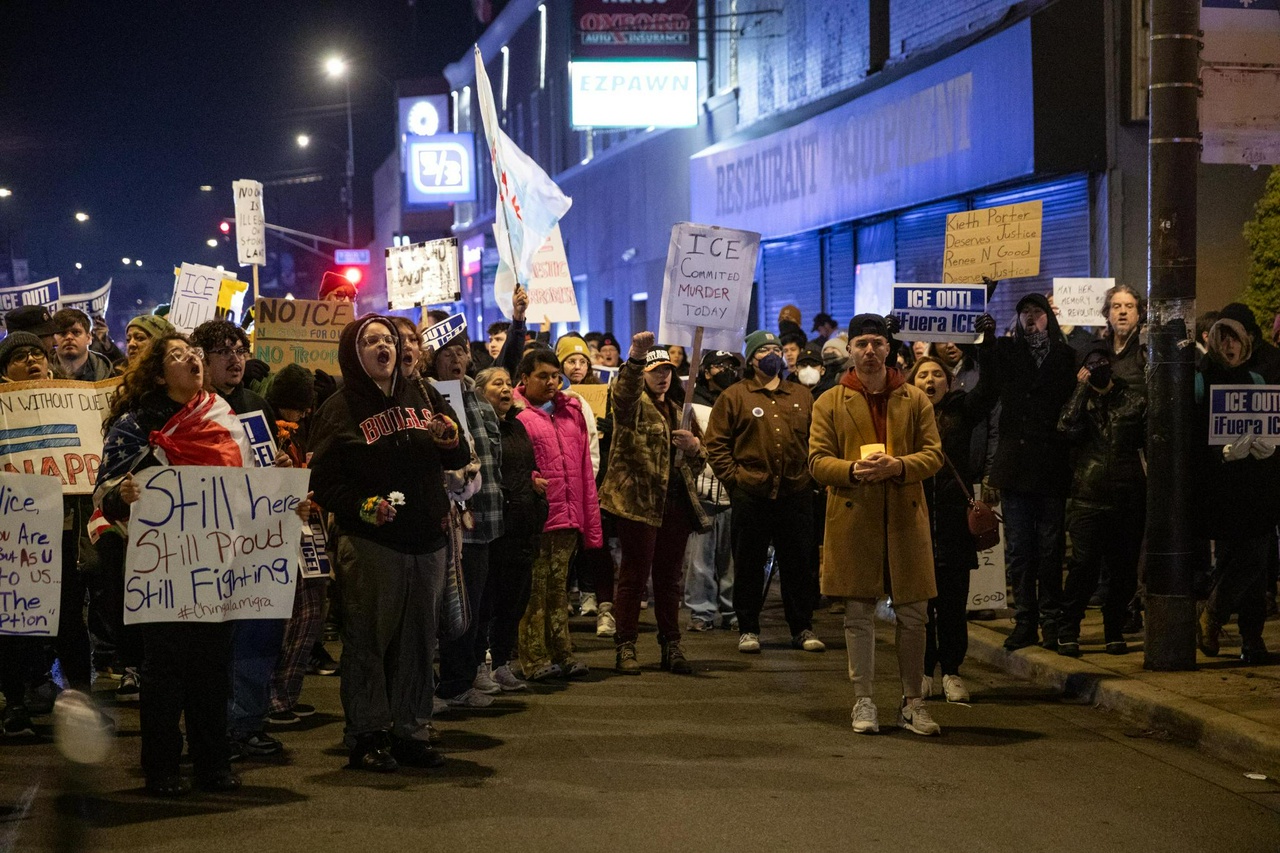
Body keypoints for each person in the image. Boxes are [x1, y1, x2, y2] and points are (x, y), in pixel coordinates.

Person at [96, 333, 267, 795]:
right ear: (156, 374)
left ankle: (212, 763)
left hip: (215, 568)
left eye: (193, 353)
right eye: (177, 355)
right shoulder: (134, 425)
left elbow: (250, 488)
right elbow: (103, 495)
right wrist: (122, 495)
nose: (191, 359)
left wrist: (286, 510)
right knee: (166, 674)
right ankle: (163, 768)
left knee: (212, 671)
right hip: (163, 572)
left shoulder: (223, 417)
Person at [309, 315, 468, 771]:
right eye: (371, 341)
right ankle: (367, 733)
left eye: (389, 340)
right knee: (369, 641)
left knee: (419, 643)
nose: (384, 347)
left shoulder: (425, 393)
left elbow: (456, 454)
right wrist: (362, 506)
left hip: (427, 540)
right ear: (353, 354)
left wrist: (449, 438)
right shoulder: (339, 408)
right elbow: (322, 483)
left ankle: (411, 731)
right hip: (372, 543)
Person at [808, 315, 945, 736]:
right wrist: (852, 470)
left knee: (914, 614)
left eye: (877, 343)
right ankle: (863, 700)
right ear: (850, 350)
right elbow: (816, 462)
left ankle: (913, 702)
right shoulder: (829, 401)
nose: (870, 351)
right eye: (862, 343)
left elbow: (934, 455)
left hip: (905, 517)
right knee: (858, 613)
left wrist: (899, 465)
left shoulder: (914, 398)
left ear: (889, 349)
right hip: (855, 515)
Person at [190, 319, 287, 759]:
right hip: (205, 539)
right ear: (202, 360)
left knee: (258, 633)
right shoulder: (190, 408)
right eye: (223, 351)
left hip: (255, 538)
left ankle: (247, 722)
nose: (235, 359)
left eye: (240, 350)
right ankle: (212, 730)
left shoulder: (255, 405)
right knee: (212, 643)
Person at [705, 330, 824, 655]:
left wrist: (813, 479)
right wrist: (735, 480)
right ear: (752, 358)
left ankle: (802, 627)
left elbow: (818, 439)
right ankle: (748, 628)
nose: (772, 354)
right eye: (765, 350)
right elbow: (715, 444)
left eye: (776, 349)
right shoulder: (734, 396)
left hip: (796, 492)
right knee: (748, 564)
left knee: (799, 565)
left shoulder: (801, 395)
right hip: (751, 493)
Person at [599, 335, 707, 674]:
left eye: (667, 371)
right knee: (634, 576)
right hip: (637, 503)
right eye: (655, 370)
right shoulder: (631, 405)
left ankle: (671, 644)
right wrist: (634, 358)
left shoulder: (681, 410)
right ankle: (626, 646)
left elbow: (699, 463)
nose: (663, 376)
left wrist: (693, 449)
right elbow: (623, 391)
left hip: (674, 505)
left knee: (669, 579)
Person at [983, 293, 1078, 651]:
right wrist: (988, 337)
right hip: (1017, 465)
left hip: (1051, 464)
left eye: (1037, 312)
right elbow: (989, 379)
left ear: (1048, 318)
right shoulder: (1007, 353)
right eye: (1024, 312)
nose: (1031, 318)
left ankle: (1051, 621)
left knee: (1051, 548)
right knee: (1021, 548)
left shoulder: (1065, 356)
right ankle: (1025, 620)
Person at [907, 352, 997, 702]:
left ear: (949, 381)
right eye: (922, 375)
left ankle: (953, 671)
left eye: (936, 375)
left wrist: (986, 341)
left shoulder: (962, 410)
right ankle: (925, 669)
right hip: (915, 522)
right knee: (920, 607)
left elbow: (989, 388)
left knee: (952, 605)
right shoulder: (905, 414)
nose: (929, 381)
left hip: (953, 524)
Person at [426, 328, 509, 708]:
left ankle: (464, 677)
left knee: (474, 609)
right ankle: (448, 685)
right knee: (446, 612)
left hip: (485, 521)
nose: (456, 360)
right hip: (447, 525)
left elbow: (494, 460)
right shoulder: (428, 398)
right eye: (447, 354)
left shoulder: (479, 402)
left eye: (460, 352)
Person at [513, 347, 603, 680]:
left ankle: (562, 652)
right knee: (534, 592)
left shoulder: (573, 412)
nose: (552, 382)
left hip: (567, 517)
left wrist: (586, 518)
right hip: (537, 519)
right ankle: (534, 659)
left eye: (555, 376)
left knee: (558, 590)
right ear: (524, 378)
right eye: (543, 376)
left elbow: (584, 468)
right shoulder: (517, 416)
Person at [1194, 319, 1279, 664]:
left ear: (1245, 344)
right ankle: (1214, 617)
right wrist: (1224, 453)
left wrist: (1270, 449)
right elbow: (1193, 433)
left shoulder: (1256, 380)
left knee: (1255, 562)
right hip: (1222, 488)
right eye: (1222, 338)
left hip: (1255, 486)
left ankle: (1248, 636)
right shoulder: (1202, 380)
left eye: (1235, 339)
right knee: (1245, 560)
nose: (1229, 346)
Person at [1054, 344, 1147, 657]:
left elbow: (1150, 440)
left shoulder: (1133, 399)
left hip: (1127, 496)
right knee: (1083, 568)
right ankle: (1069, 630)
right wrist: (1081, 389)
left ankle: (1114, 629)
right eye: (1090, 363)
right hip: (1088, 497)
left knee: (1122, 571)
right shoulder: (1079, 402)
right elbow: (1066, 427)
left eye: (1102, 362)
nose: (1097, 367)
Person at [476, 365, 549, 692]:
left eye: (508, 383)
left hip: (522, 525)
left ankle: (502, 664)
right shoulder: (478, 429)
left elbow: (526, 466)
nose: (505, 389)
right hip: (494, 527)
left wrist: (535, 485)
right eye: (497, 384)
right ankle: (479, 664)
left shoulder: (517, 427)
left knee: (513, 601)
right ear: (480, 391)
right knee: (486, 602)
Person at [264, 364, 329, 726]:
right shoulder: (272, 433)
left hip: (304, 526)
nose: (306, 412)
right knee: (298, 615)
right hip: (283, 533)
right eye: (301, 405)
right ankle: (275, 699)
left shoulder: (296, 431)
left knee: (308, 614)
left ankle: (284, 696)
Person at [683, 351, 740, 632]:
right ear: (705, 372)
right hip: (702, 493)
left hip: (734, 492)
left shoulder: (741, 400)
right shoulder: (691, 405)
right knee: (700, 560)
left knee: (731, 560)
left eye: (731, 366)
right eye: (720, 366)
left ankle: (733, 611)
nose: (726, 370)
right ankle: (701, 612)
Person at [1094, 285, 1146, 390]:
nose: (1123, 311)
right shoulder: (1099, 351)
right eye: (1117, 306)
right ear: (1107, 314)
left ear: (1138, 315)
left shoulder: (1146, 349)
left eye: (1129, 306)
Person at [52, 308, 114, 381]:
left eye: (76, 332)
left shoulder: (110, 374)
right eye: (62, 333)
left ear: (88, 338)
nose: (69, 337)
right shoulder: (42, 374)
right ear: (53, 339)